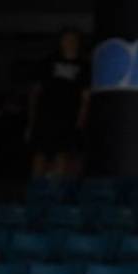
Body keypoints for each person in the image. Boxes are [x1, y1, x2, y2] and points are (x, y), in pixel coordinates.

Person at [27, 28, 89, 178]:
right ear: (60, 42)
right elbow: (35, 92)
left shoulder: (84, 66)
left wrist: (81, 119)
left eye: (73, 40)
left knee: (62, 154)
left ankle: (57, 192)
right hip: (45, 115)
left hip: (68, 116)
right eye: (66, 39)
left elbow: (86, 97)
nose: (70, 43)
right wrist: (31, 118)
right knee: (40, 154)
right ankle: (37, 189)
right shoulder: (48, 62)